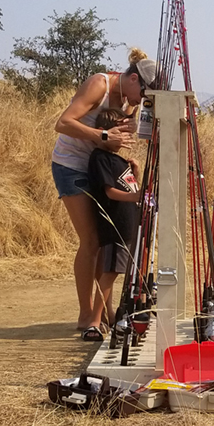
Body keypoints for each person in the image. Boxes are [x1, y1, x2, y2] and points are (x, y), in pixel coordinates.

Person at [51, 48, 155, 332]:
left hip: (100, 167)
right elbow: (63, 122)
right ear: (133, 78)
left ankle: (102, 310)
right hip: (72, 165)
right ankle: (86, 315)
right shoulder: (100, 84)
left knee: (107, 239)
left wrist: (129, 128)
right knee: (91, 240)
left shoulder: (129, 100)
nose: (141, 101)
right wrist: (103, 135)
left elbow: (117, 132)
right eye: (142, 95)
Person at [81, 109, 141, 341]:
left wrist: (135, 173)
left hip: (127, 224)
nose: (125, 139)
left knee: (113, 273)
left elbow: (128, 186)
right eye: (122, 133)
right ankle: (94, 322)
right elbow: (110, 192)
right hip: (116, 226)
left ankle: (109, 316)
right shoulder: (100, 158)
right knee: (109, 274)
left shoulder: (117, 160)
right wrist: (135, 198)